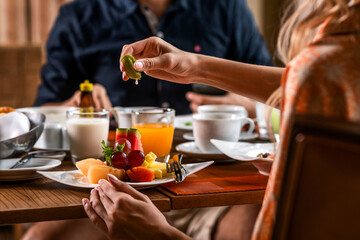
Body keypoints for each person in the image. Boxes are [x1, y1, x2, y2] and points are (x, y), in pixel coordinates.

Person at [80, 0, 360, 239]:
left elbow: (308, 82)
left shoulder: (326, 70)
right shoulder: (339, 62)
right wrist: (195, 67)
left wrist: (158, 234)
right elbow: (296, 83)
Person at [34, 0, 272, 116]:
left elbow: (278, 97)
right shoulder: (78, 17)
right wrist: (78, 106)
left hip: (210, 173)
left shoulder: (226, 7)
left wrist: (249, 107)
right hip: (113, 175)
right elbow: (42, 111)